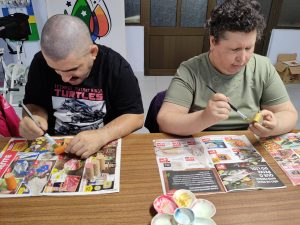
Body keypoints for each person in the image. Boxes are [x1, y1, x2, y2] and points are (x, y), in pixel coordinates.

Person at [157, 0, 298, 138]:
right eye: (235, 49)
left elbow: (289, 114)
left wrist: (274, 125)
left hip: (248, 145)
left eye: (249, 48)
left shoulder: (263, 67)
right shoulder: (190, 70)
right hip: (203, 146)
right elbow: (165, 121)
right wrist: (204, 117)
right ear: (213, 42)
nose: (243, 58)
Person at [19, 14, 144, 158]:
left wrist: (102, 135)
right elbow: (33, 103)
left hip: (101, 145)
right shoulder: (39, 62)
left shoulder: (115, 66)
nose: (65, 79)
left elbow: (136, 116)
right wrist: (35, 118)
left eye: (72, 69)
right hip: (55, 146)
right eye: (56, 70)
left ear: (92, 52)